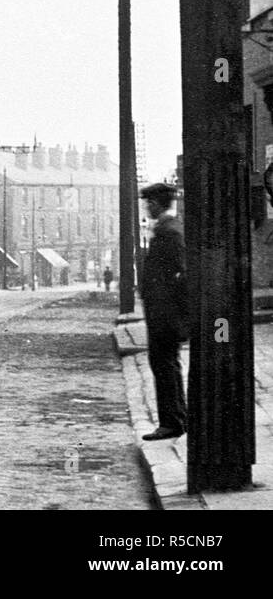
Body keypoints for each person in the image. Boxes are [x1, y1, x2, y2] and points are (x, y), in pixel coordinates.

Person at [139, 183, 189, 441]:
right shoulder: (167, 229)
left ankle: (172, 422)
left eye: (150, 203)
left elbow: (181, 272)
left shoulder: (169, 232)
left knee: (164, 365)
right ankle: (178, 417)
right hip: (162, 312)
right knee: (166, 364)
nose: (147, 207)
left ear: (158, 204)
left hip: (165, 314)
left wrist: (173, 310)